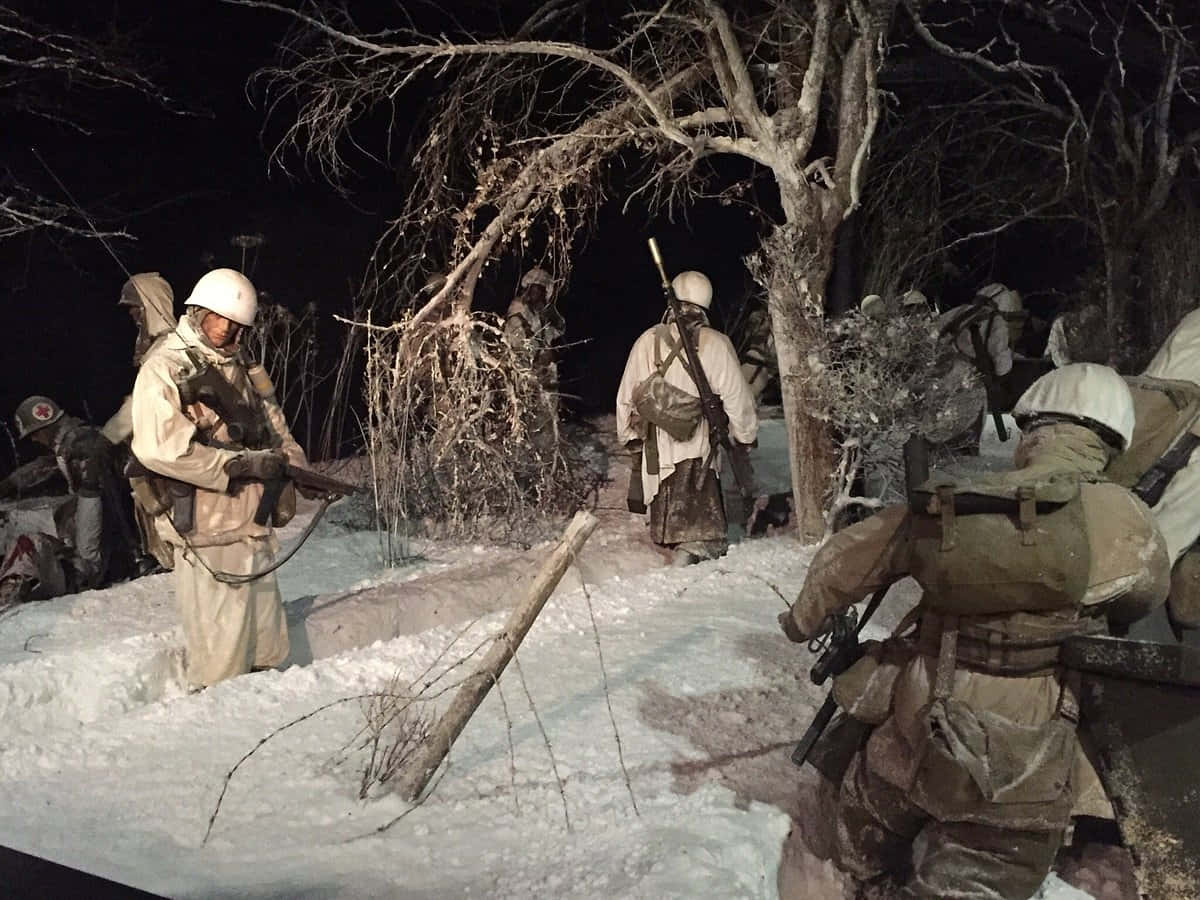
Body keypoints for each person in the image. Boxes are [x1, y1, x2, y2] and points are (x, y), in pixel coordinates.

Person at [779, 363, 1170, 899]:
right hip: (1026, 751)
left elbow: (843, 561)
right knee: (988, 862)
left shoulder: (958, 500)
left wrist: (799, 622)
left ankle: (854, 871)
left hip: (918, 718)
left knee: (864, 815)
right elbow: (1147, 595)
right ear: (1111, 440)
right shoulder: (1128, 518)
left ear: (1031, 430)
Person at [130, 268, 310, 690]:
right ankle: (219, 725)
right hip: (207, 529)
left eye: (235, 325)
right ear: (197, 311)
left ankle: (262, 705)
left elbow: (274, 423)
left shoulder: (244, 365)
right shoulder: (165, 367)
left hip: (252, 525)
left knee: (265, 643)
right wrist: (234, 468)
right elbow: (160, 449)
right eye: (217, 318)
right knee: (221, 655)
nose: (225, 330)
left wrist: (292, 468)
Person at [615, 269, 758, 566]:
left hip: (657, 445)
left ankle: (682, 549)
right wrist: (745, 436)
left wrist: (628, 437)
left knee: (675, 509)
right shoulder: (715, 342)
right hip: (697, 446)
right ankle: (689, 555)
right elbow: (737, 398)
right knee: (703, 529)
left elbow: (625, 397)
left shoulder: (648, 340)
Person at [0, 395, 142, 606]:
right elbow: (45, 465)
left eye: (35, 434)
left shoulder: (81, 445)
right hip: (96, 526)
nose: (34, 440)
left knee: (31, 543)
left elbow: (103, 499)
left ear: (47, 425)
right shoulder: (71, 442)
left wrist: (103, 555)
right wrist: (12, 483)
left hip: (107, 537)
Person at [100, 272, 179, 571]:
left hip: (171, 443)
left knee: (159, 497)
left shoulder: (168, 349)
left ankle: (174, 554)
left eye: (136, 307)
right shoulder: (159, 348)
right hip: (158, 441)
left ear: (152, 304)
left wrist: (107, 437)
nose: (133, 315)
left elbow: (141, 403)